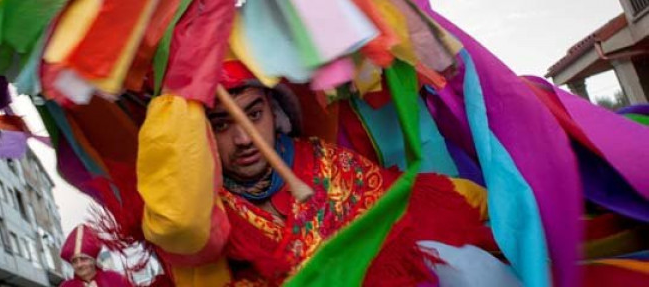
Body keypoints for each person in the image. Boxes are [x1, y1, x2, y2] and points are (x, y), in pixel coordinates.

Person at [137, 61, 515, 286]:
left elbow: (406, 207)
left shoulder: (324, 163)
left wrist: (513, 201)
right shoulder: (207, 213)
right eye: (220, 125)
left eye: (254, 115)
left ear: (275, 112)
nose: (243, 139)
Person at [61, 224, 132, 287]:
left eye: (83, 259)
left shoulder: (115, 279)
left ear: (93, 260)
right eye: (74, 261)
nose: (79, 265)